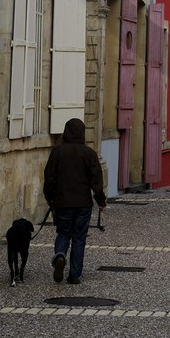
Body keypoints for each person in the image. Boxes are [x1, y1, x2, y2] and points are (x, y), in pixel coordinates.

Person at [42, 117, 106, 285]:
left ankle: (60, 255)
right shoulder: (89, 154)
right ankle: (74, 275)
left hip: (62, 202)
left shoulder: (57, 152)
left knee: (63, 233)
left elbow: (49, 177)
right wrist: (101, 200)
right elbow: (96, 181)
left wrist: (49, 197)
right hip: (83, 203)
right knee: (79, 238)